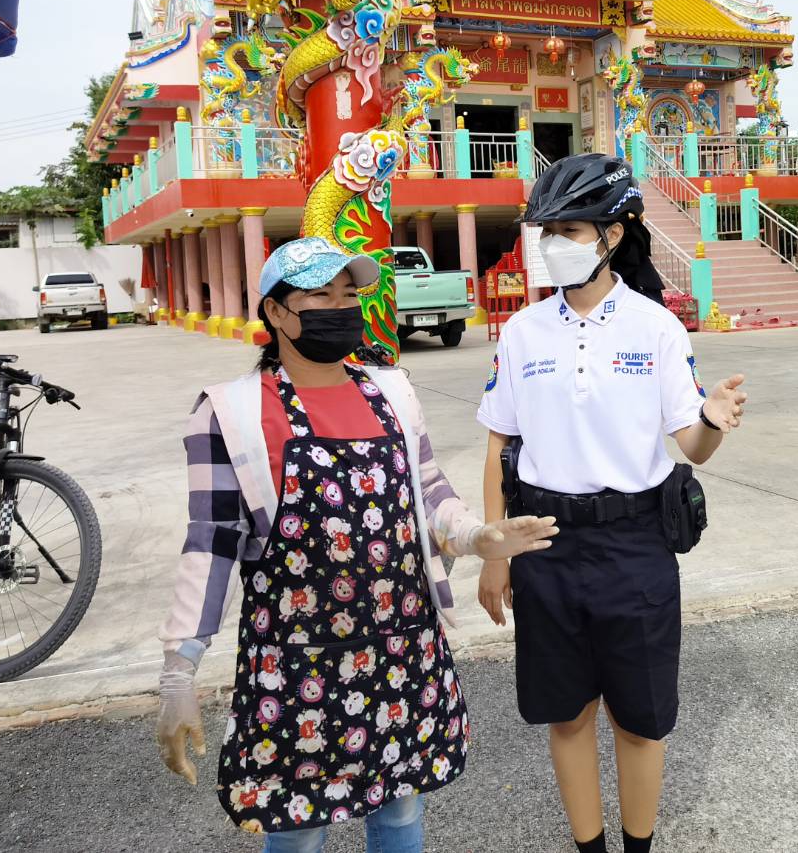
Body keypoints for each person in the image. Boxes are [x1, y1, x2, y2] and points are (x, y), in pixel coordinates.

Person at [156, 235, 558, 852]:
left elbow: (429, 492)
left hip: (402, 648)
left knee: (400, 816)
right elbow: (211, 541)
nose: (341, 307)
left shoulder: (391, 391)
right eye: (321, 295)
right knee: (298, 830)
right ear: (276, 311)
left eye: (349, 294)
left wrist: (477, 536)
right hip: (296, 664)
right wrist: (179, 669)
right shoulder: (230, 412)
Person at [476, 154, 748, 853]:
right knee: (566, 715)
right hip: (545, 545)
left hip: (635, 546)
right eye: (547, 231)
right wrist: (496, 553)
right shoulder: (522, 332)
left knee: (639, 720)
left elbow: (692, 447)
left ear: (613, 234)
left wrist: (713, 419)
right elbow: (498, 446)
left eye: (569, 230)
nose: (553, 244)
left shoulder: (655, 328)